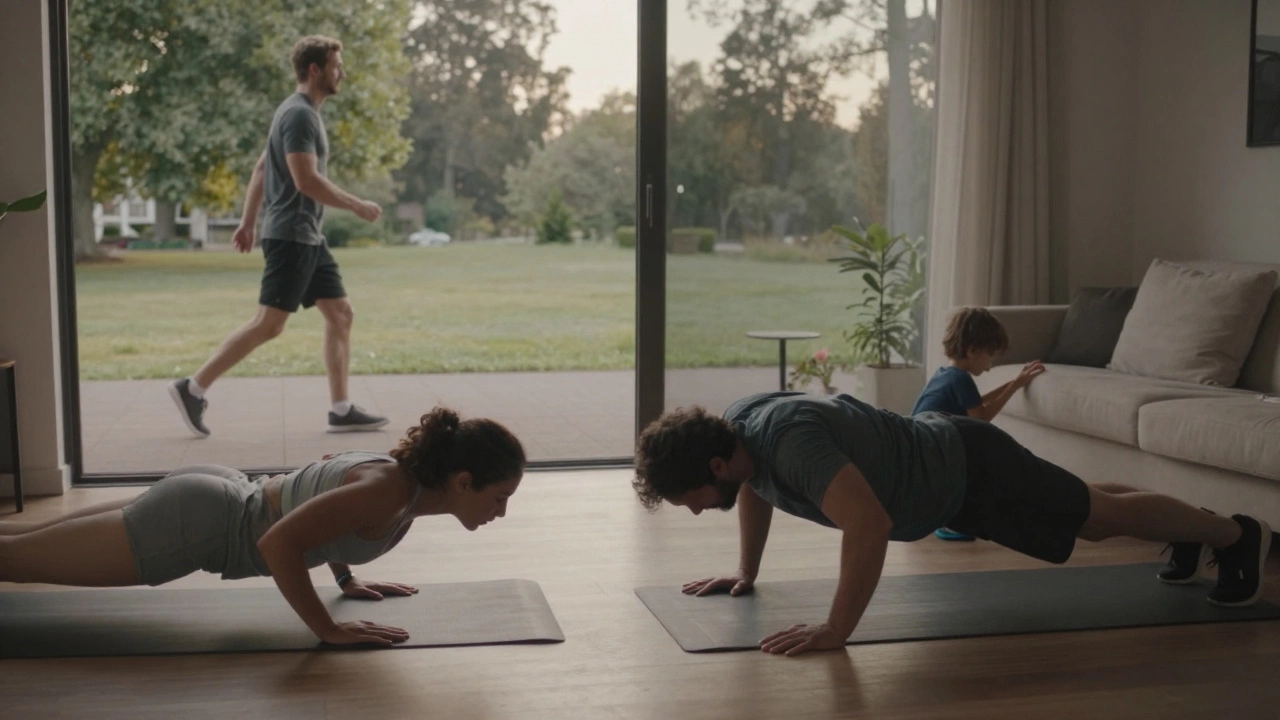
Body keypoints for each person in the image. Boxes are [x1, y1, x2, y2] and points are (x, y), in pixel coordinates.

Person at [631, 392, 1271, 657]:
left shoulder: (792, 443)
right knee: (1089, 509)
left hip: (969, 468)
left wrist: (837, 627)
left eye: (688, 496)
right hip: (950, 480)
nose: (691, 509)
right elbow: (756, 492)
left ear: (715, 462)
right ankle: (1196, 528)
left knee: (1096, 520)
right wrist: (747, 570)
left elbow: (869, 524)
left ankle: (1237, 535)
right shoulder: (743, 437)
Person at [0, 408, 525, 647]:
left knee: (13, 546)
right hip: (200, 526)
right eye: (499, 497)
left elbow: (323, 509)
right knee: (13, 562)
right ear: (462, 480)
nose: (500, 513)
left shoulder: (401, 483)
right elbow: (279, 542)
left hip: (212, 499)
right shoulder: (390, 492)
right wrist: (327, 627)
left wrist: (346, 581)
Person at [169, 35, 388, 438]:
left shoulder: (296, 113)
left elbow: (260, 169)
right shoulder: (300, 115)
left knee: (341, 314)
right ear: (315, 70)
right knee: (268, 325)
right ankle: (193, 387)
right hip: (291, 236)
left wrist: (248, 221)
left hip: (308, 237)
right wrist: (356, 205)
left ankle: (340, 409)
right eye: (337, 65)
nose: (343, 73)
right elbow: (306, 180)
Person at [912, 307, 1045, 541]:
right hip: (933, 449)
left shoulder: (946, 373)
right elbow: (980, 418)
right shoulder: (961, 378)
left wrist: (1015, 382)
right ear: (972, 350)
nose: (990, 366)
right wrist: (1014, 387)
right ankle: (953, 521)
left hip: (919, 445)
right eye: (990, 356)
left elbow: (976, 403)